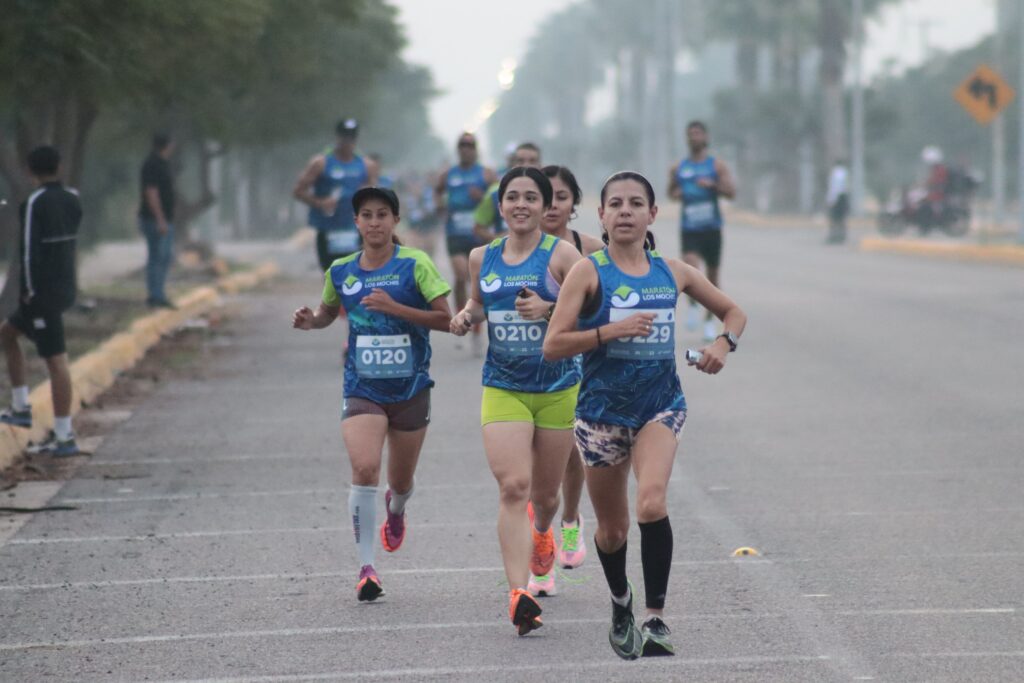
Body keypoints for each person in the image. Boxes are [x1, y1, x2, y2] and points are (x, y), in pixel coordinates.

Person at [543, 171, 746, 660]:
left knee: (651, 504)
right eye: (616, 204)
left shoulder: (672, 272)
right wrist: (611, 331)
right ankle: (621, 603)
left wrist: (723, 343)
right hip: (600, 416)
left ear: (653, 214)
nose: (626, 211)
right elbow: (553, 345)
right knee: (612, 531)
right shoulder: (588, 273)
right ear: (602, 216)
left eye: (637, 203)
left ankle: (655, 618)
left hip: (660, 407)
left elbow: (733, 312)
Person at [291, 187, 452, 602]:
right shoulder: (341, 271)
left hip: (411, 388)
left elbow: (444, 318)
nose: (375, 222)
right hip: (362, 387)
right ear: (356, 222)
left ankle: (396, 510)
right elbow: (329, 312)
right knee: (364, 469)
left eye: (383, 214)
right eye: (367, 215)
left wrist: (396, 308)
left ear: (395, 221)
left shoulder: (415, 264)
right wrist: (312, 321)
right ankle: (367, 568)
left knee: (399, 482)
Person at [449, 166, 582, 635]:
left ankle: (544, 533)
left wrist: (550, 309)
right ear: (500, 205)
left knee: (545, 496)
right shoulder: (481, 257)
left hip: (557, 387)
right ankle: (518, 592)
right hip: (503, 385)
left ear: (546, 207)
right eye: (512, 197)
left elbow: (593, 306)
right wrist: (466, 317)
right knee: (512, 487)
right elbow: (479, 305)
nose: (520, 205)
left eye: (531, 197)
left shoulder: (562, 254)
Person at [540, 165, 604, 577]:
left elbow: (604, 307)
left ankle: (570, 520)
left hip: (578, 365)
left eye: (560, 197)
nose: (551, 206)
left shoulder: (592, 249)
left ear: (573, 204)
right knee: (532, 462)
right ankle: (540, 529)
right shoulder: (513, 250)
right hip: (525, 370)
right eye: (542, 197)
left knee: (573, 451)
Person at [0, 146, 83, 456]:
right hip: (62, 287)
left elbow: (28, 251)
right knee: (6, 333)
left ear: (29, 171)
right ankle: (20, 406)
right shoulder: (72, 198)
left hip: (40, 294)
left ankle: (64, 436)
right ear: (59, 166)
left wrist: (30, 291)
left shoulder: (35, 202)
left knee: (56, 361)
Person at [667, 120, 736, 341]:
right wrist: (677, 193)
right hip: (690, 228)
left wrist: (713, 186)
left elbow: (731, 192)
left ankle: (709, 321)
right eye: (690, 134)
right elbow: (671, 191)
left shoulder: (716, 166)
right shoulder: (678, 167)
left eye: (698, 133)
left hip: (712, 229)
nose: (694, 137)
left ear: (706, 138)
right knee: (690, 267)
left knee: (712, 278)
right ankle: (694, 306)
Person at [435, 133, 496, 352]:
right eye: (462, 145)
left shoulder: (486, 174)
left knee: (475, 281)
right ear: (458, 149)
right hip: (455, 234)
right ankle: (461, 321)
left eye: (470, 145)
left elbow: (498, 197)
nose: (466, 149)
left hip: (477, 235)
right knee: (462, 275)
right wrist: (440, 207)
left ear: (476, 149)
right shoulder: (448, 174)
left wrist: (481, 197)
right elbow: (437, 192)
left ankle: (474, 329)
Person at [293, 118, 379, 271]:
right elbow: (298, 191)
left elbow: (375, 195)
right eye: (345, 136)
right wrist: (320, 202)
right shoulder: (320, 163)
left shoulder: (367, 165)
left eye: (352, 137)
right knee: (331, 276)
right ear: (337, 137)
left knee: (359, 276)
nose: (348, 141)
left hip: (356, 230)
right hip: (328, 231)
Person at [473, 142, 543, 242]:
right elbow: (478, 227)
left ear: (540, 165)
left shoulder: (550, 194)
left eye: (532, 161)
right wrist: (499, 241)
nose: (526, 165)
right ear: (513, 164)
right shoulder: (496, 193)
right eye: (520, 161)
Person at [139, 132, 177, 308]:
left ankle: (158, 293)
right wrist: (160, 219)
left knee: (164, 256)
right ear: (166, 145)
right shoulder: (153, 165)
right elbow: (151, 192)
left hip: (163, 219)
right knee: (158, 256)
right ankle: (155, 296)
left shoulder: (162, 164)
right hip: (155, 219)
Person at [825, 159, 849, 244]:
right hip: (843, 198)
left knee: (834, 219)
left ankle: (834, 237)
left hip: (838, 199)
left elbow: (835, 188)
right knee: (841, 219)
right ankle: (841, 236)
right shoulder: (845, 172)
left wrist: (831, 200)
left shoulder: (836, 173)